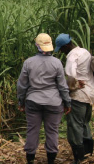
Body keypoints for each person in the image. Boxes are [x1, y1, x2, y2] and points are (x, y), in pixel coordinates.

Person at [17, 33, 71, 164]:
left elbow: (22, 85)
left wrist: (21, 101)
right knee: (52, 131)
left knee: (32, 130)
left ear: (37, 46)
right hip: (53, 102)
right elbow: (62, 86)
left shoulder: (29, 62)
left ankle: (30, 159)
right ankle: (51, 161)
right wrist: (67, 103)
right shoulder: (57, 63)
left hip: (33, 101)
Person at [55, 33, 94, 164]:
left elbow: (71, 77)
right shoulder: (85, 52)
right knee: (85, 123)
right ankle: (88, 154)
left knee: (75, 127)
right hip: (90, 94)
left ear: (66, 46)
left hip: (78, 96)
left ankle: (79, 158)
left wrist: (73, 86)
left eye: (61, 48)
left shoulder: (72, 56)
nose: (61, 51)